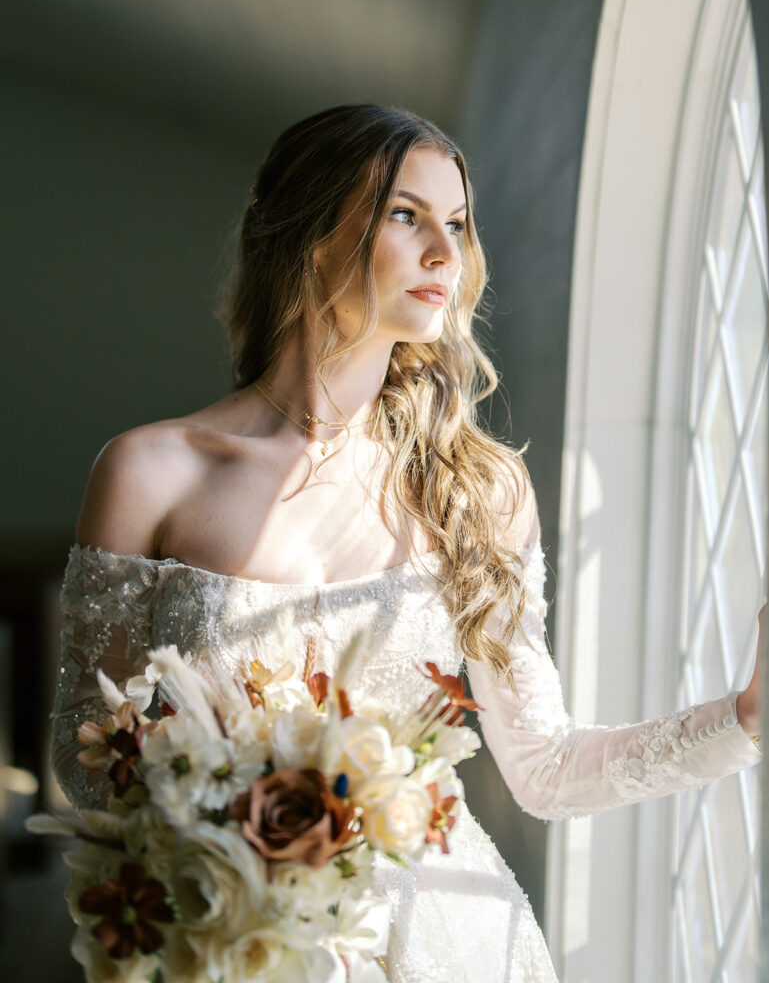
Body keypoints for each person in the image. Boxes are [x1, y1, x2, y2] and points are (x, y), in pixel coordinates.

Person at [51, 103, 763, 982]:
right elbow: (86, 755)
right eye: (404, 214)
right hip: (238, 941)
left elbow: (544, 768)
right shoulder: (150, 472)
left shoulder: (480, 489)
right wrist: (241, 839)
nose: (443, 253)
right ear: (308, 234)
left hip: (458, 944)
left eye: (455, 224)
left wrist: (742, 721)